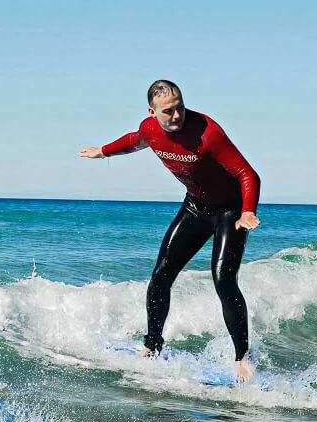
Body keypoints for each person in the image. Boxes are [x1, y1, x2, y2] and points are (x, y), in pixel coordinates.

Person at [79, 80, 261, 381]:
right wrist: (104, 151)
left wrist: (248, 210)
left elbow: (247, 174)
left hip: (231, 210)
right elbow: (134, 141)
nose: (177, 116)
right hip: (195, 207)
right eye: (168, 111)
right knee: (161, 275)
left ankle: (242, 357)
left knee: (223, 280)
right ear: (152, 113)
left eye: (180, 108)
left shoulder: (208, 133)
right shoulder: (150, 129)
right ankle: (152, 346)